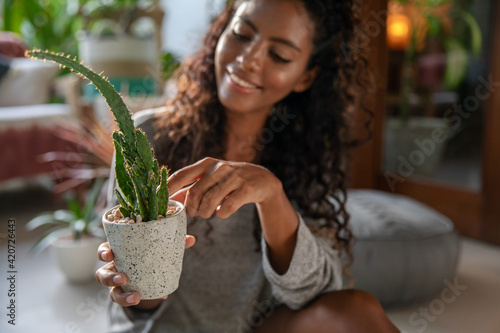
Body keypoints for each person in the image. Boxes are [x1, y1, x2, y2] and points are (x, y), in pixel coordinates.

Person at [95, 0, 401, 332]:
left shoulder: (305, 157)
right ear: (222, 30)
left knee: (359, 310)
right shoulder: (147, 137)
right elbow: (137, 305)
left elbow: (318, 294)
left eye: (279, 55)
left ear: (306, 76)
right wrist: (134, 275)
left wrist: (272, 196)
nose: (247, 59)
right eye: (241, 34)